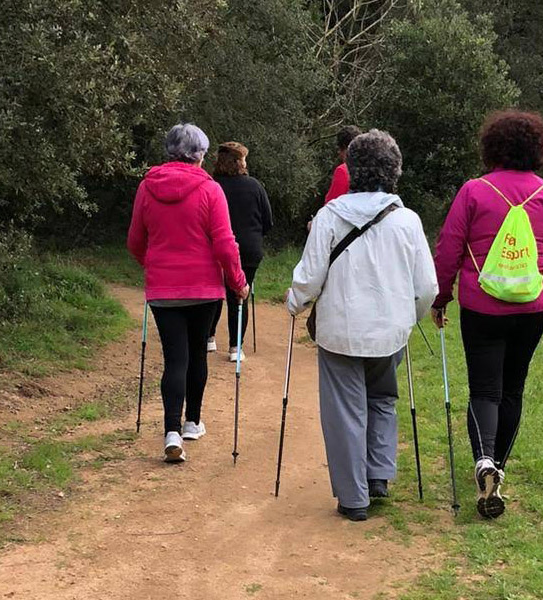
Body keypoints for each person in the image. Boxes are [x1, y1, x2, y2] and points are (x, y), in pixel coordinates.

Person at [431, 110, 543, 519]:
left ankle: (483, 461)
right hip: (533, 307)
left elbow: (448, 250)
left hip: (481, 306)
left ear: (491, 147)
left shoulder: (473, 192)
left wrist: (440, 297)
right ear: (539, 150)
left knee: (484, 390)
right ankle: (498, 464)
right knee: (513, 388)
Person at [287, 129, 438, 521]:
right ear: (395, 172)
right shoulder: (407, 221)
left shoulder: (328, 218)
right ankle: (379, 475)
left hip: (340, 330)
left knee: (345, 410)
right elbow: (427, 287)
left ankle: (354, 498)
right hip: (390, 331)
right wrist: (411, 317)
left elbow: (309, 278)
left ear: (351, 170)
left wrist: (295, 304)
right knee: (383, 398)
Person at [127, 123, 249, 463]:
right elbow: (225, 244)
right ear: (200, 155)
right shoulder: (210, 190)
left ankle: (171, 431)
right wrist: (238, 281)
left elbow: (135, 241)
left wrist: (151, 265)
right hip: (204, 287)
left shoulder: (147, 187)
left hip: (164, 289)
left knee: (174, 359)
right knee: (197, 354)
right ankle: (193, 421)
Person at [207, 142, 273, 361]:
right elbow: (268, 221)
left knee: (216, 291)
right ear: (238, 162)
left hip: (215, 247)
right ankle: (236, 347)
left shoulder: (211, 185)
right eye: (244, 158)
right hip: (249, 248)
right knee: (240, 294)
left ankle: (209, 337)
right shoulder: (255, 186)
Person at [324, 125, 361, 204]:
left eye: (339, 149)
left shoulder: (343, 171)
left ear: (344, 147)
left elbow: (331, 205)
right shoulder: (372, 168)